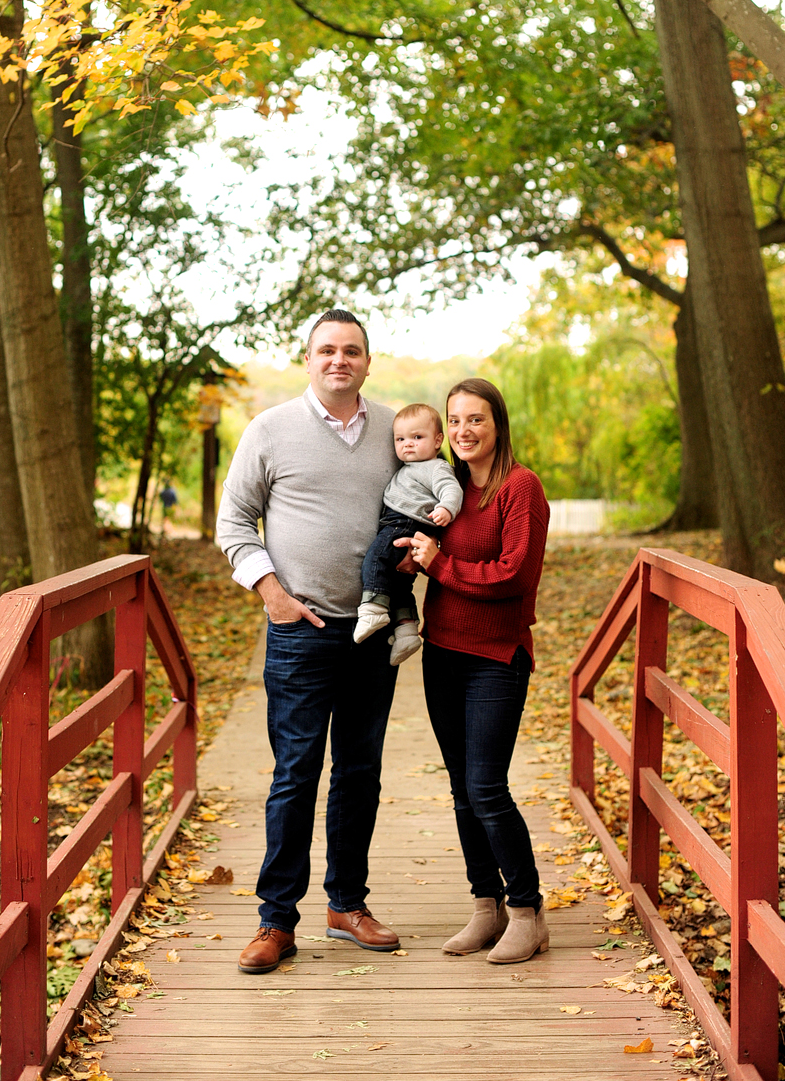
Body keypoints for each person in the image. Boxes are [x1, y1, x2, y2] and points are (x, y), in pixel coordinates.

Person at [216, 309, 405, 974]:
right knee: (296, 774)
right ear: (307, 359)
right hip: (301, 632)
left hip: (373, 632)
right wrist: (272, 593)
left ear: (367, 362)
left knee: (360, 772)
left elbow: (424, 502)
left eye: (351, 351)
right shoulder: (269, 430)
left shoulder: (393, 430)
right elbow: (233, 522)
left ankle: (346, 905)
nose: (339, 360)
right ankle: (277, 921)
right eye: (326, 350)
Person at [395, 377, 550, 964]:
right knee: (463, 790)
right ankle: (485, 908)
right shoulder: (449, 487)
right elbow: (422, 547)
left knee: (487, 786)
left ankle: (526, 912)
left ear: (497, 423)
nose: (463, 431)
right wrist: (408, 557)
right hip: (443, 654)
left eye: (475, 419)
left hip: (497, 658)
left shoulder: (519, 486)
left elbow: (515, 575)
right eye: (454, 420)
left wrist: (441, 566)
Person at [354, 403, 463, 666]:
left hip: (404, 523)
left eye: (417, 437)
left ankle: (374, 608)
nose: (408, 445)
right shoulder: (408, 467)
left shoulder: (436, 467)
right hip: (401, 523)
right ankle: (406, 630)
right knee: (400, 585)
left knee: (376, 559)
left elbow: (451, 489)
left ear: (438, 440)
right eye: (400, 439)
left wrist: (446, 508)